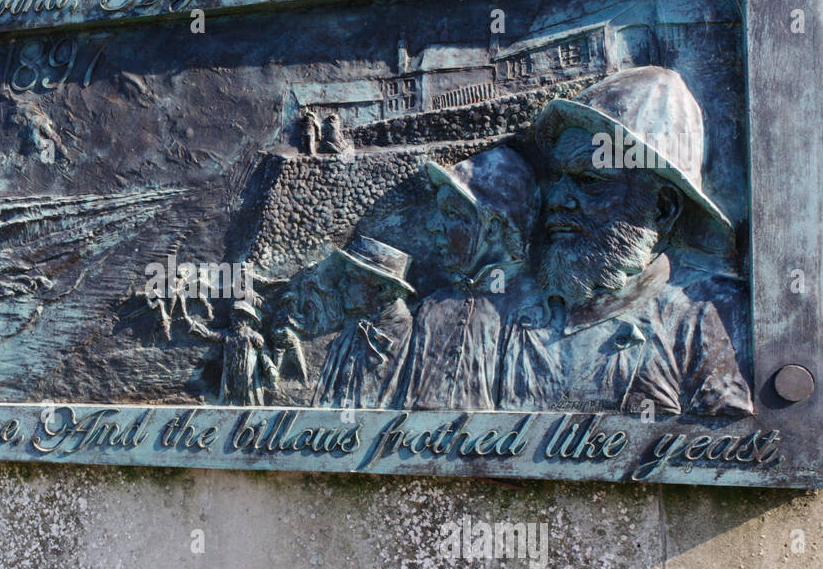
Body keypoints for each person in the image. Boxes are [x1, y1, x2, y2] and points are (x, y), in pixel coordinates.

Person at [498, 66, 752, 417]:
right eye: (557, 178)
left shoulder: (707, 319)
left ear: (662, 209)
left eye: (588, 180)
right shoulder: (513, 314)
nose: (557, 198)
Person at [394, 146, 542, 410]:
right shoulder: (431, 309)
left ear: (494, 227)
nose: (434, 225)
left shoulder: (534, 312)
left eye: (452, 214)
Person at [311, 235, 414, 410]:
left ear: (381, 289)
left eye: (351, 277)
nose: (341, 284)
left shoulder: (415, 337)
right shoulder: (352, 332)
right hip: (337, 431)